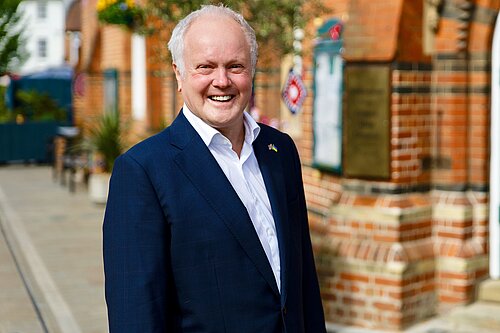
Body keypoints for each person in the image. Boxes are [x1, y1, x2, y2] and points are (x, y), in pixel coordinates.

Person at [103, 4, 326, 333]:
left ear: (252, 70)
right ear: (179, 74)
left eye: (235, 66)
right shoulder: (142, 172)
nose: (222, 81)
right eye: (205, 67)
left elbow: (303, 280)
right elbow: (135, 314)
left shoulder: (279, 151)